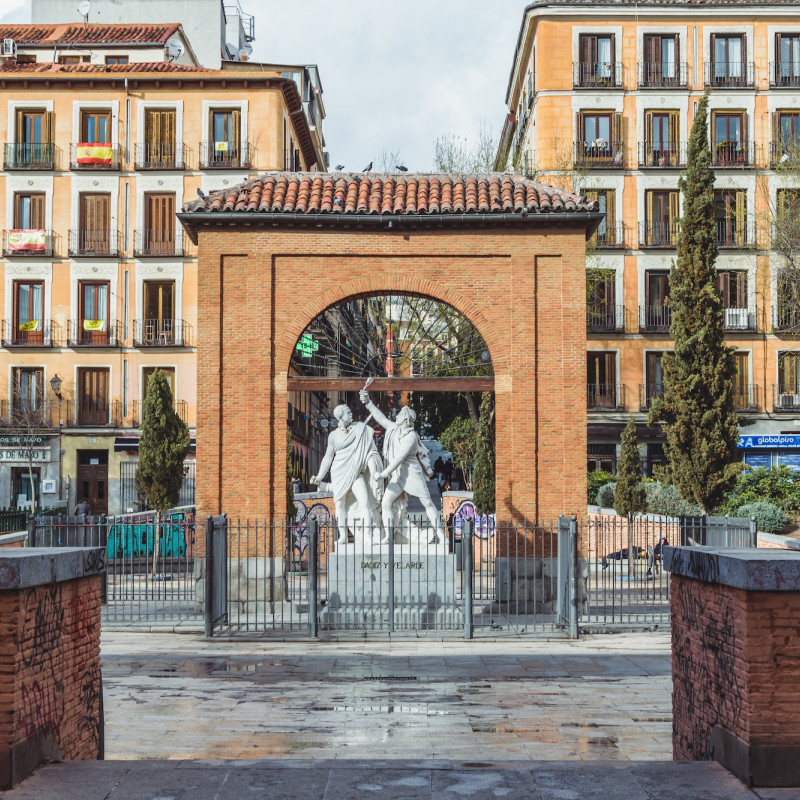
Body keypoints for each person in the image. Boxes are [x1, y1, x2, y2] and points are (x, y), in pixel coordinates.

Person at [360, 390, 441, 541]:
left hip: (412, 474)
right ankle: (389, 536)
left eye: (399, 415)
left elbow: (399, 458)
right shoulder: (394, 429)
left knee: (428, 503)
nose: (395, 416)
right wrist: (368, 403)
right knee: (386, 503)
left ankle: (442, 536)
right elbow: (381, 419)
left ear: (405, 419)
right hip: (398, 475)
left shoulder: (411, 436)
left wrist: (383, 474)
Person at [310, 404, 381, 544]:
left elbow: (369, 448)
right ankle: (343, 536)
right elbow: (328, 457)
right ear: (341, 417)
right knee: (340, 505)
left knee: (364, 502)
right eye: (348, 413)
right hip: (339, 472)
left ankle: (367, 535)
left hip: (355, 472)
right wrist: (320, 476)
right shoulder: (333, 436)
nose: (351, 415)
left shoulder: (360, 429)